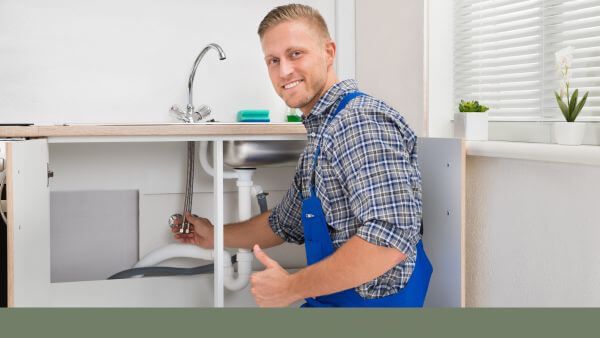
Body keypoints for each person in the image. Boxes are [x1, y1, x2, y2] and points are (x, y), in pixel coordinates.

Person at [173, 3, 432, 307]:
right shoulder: (323, 132)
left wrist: (290, 287)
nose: (284, 71)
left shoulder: (359, 122)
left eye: (296, 54)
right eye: (273, 60)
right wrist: (215, 235)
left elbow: (388, 241)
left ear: (329, 52)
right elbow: (283, 224)